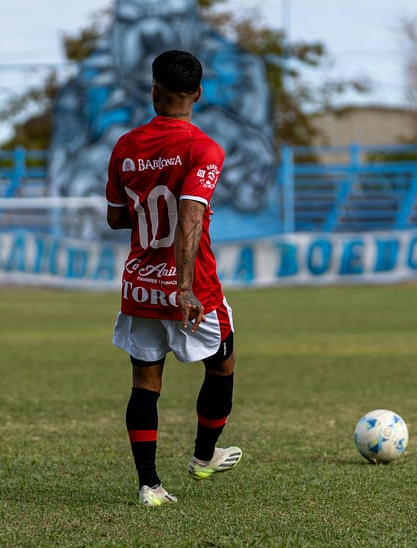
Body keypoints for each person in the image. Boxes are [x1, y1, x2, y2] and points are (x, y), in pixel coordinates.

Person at [105, 50, 242, 507]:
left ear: (154, 91)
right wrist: (183, 287)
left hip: (140, 283)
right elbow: (188, 218)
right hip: (191, 283)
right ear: (198, 94)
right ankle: (203, 457)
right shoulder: (204, 149)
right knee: (222, 362)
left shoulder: (125, 146)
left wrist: (147, 207)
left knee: (146, 382)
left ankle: (150, 486)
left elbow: (115, 218)